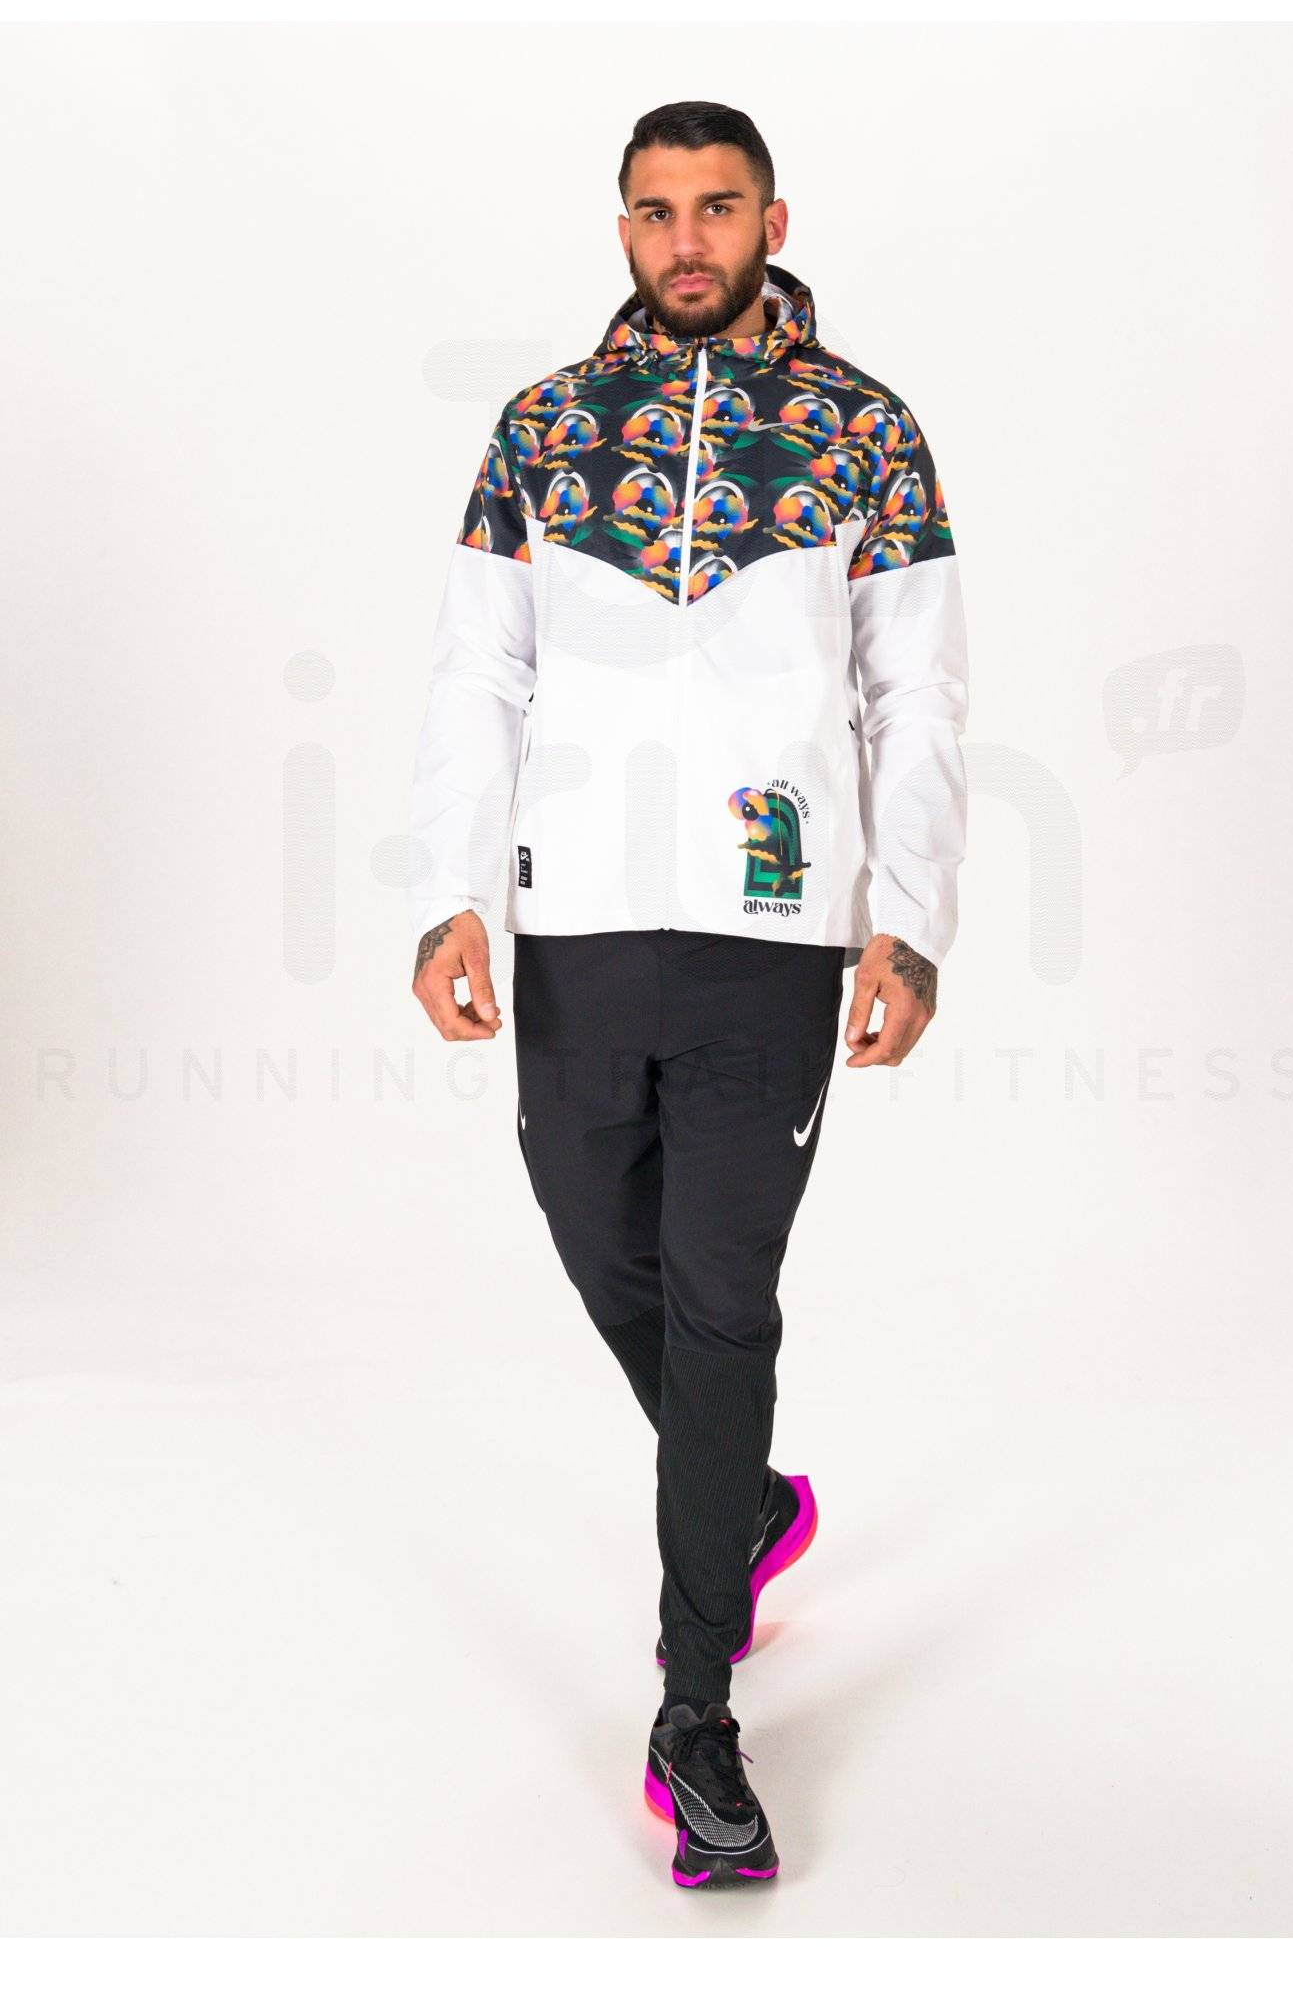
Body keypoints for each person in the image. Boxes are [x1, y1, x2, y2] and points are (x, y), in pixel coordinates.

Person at [408, 99, 969, 1889]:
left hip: (773, 928)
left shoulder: (863, 428)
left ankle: (694, 1712)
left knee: (726, 1297)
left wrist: (913, 918)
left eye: (718, 207)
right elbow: (479, 673)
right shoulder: (545, 428)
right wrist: (448, 895)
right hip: (573, 920)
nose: (688, 240)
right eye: (656, 212)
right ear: (625, 229)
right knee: (599, 1235)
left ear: (772, 219)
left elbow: (917, 695)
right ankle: (749, 1499)